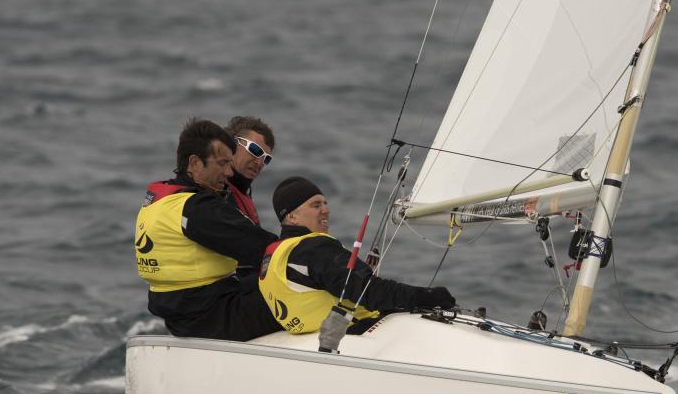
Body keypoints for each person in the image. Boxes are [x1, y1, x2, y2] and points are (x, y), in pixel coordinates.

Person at [135, 118, 280, 341]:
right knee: (302, 292)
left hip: (185, 313)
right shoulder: (199, 209)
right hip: (209, 316)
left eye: (266, 158)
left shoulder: (164, 198)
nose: (228, 172)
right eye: (222, 163)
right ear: (194, 163)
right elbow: (261, 248)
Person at [259, 176, 455, 335]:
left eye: (325, 203)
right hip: (353, 335)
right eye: (316, 205)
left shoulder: (273, 255)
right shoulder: (313, 248)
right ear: (292, 216)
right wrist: (428, 296)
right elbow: (368, 291)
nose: (326, 210)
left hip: (310, 338)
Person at [224, 115, 275, 227]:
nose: (259, 162)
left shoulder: (242, 194)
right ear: (233, 143)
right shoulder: (215, 189)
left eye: (266, 158)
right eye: (255, 150)